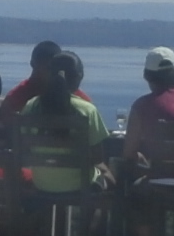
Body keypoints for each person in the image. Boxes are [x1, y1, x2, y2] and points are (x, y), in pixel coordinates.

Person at [15, 49, 109, 194]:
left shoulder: (31, 106)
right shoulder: (87, 110)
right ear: (79, 76)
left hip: (41, 184)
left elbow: (23, 148)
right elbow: (97, 157)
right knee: (107, 176)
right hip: (79, 186)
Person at [2, 40, 91, 113]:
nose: (53, 72)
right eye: (49, 68)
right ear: (33, 64)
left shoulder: (77, 96)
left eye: (56, 68)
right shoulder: (17, 97)